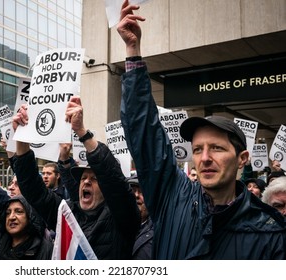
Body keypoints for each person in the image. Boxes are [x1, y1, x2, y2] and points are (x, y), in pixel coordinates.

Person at [117, 0, 286, 259]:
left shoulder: (270, 233)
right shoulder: (172, 195)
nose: (204, 158)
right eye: (197, 149)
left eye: (217, 148)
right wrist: (132, 50)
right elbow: (143, 131)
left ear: (242, 159)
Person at [12, 96, 140, 259]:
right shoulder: (66, 213)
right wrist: (22, 137)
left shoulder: (121, 217)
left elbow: (114, 182)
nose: (86, 181)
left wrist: (82, 132)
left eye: (94, 179)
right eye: (83, 178)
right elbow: (33, 190)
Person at [127, 175, 153, 260]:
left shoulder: (159, 232)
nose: (136, 195)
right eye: (132, 190)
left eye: (142, 191)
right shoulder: (115, 225)